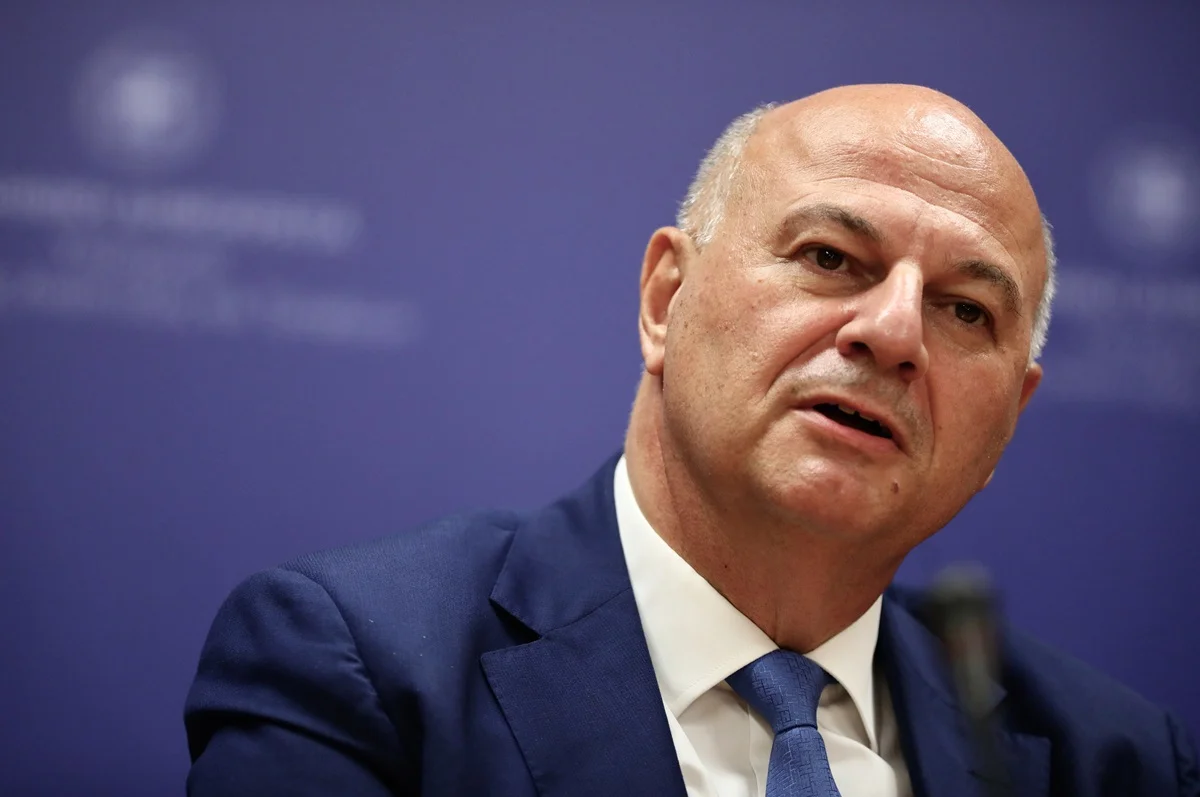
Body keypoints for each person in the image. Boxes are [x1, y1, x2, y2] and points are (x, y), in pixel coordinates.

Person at [184, 84, 1199, 796]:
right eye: (831, 256)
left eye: (967, 311)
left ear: (1009, 418)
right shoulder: (362, 668)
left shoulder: (1116, 762)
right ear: (666, 298)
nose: (893, 333)